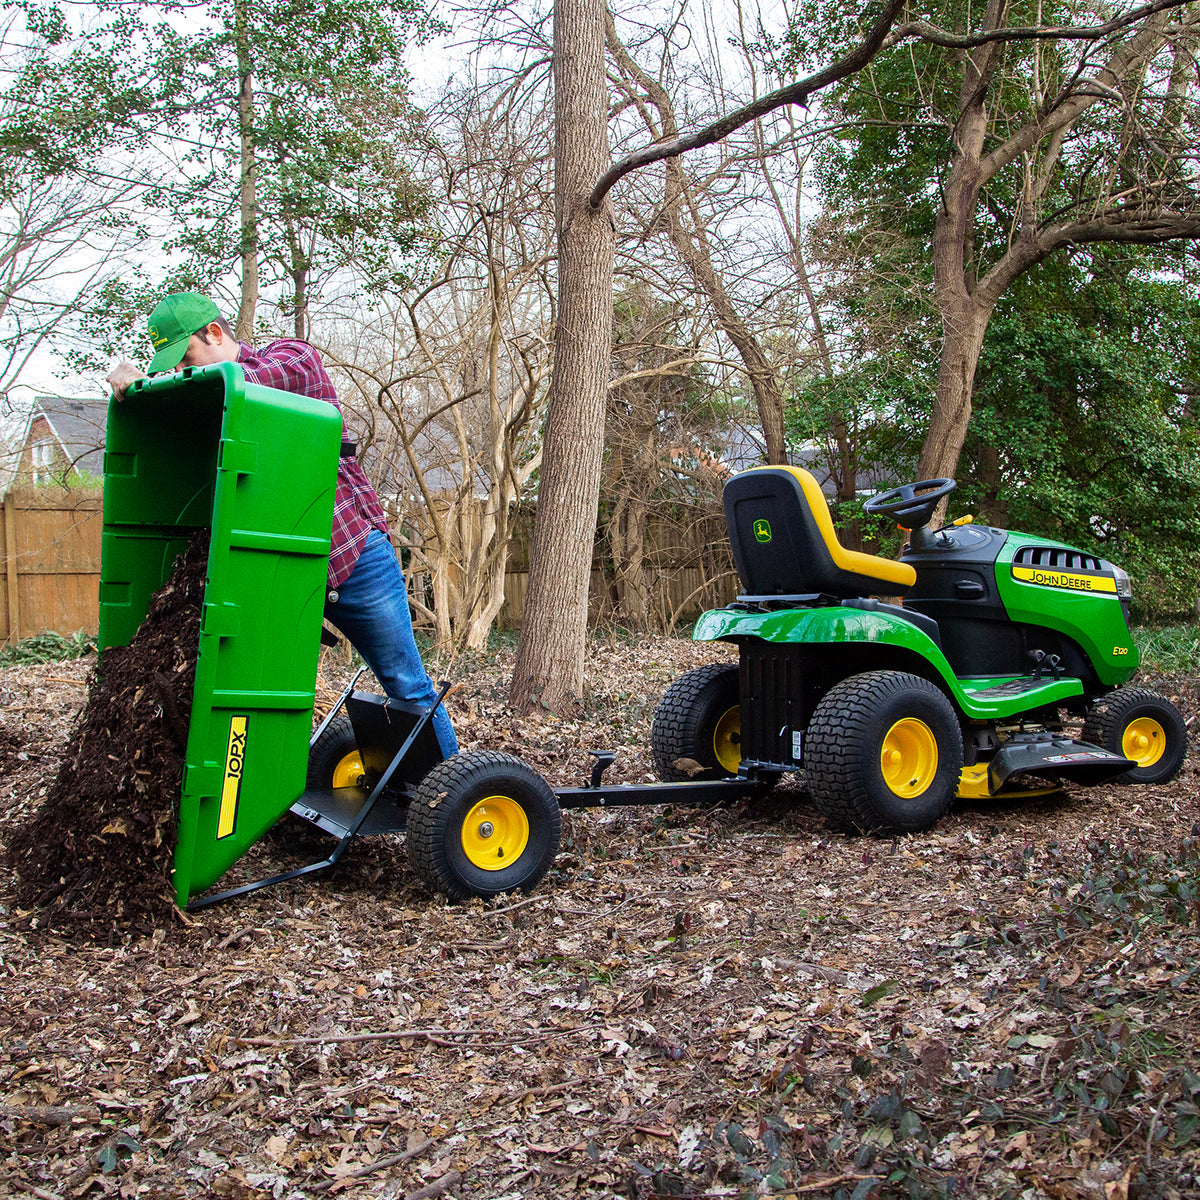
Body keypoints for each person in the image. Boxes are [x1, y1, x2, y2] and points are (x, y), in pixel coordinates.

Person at [106, 291, 459, 756]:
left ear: (214, 332)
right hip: (278, 565)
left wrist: (165, 379)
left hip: (350, 559)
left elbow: (247, 380)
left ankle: (454, 795)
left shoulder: (292, 359)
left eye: (184, 357)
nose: (178, 371)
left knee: (405, 684)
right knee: (247, 687)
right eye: (170, 365)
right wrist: (140, 387)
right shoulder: (204, 398)